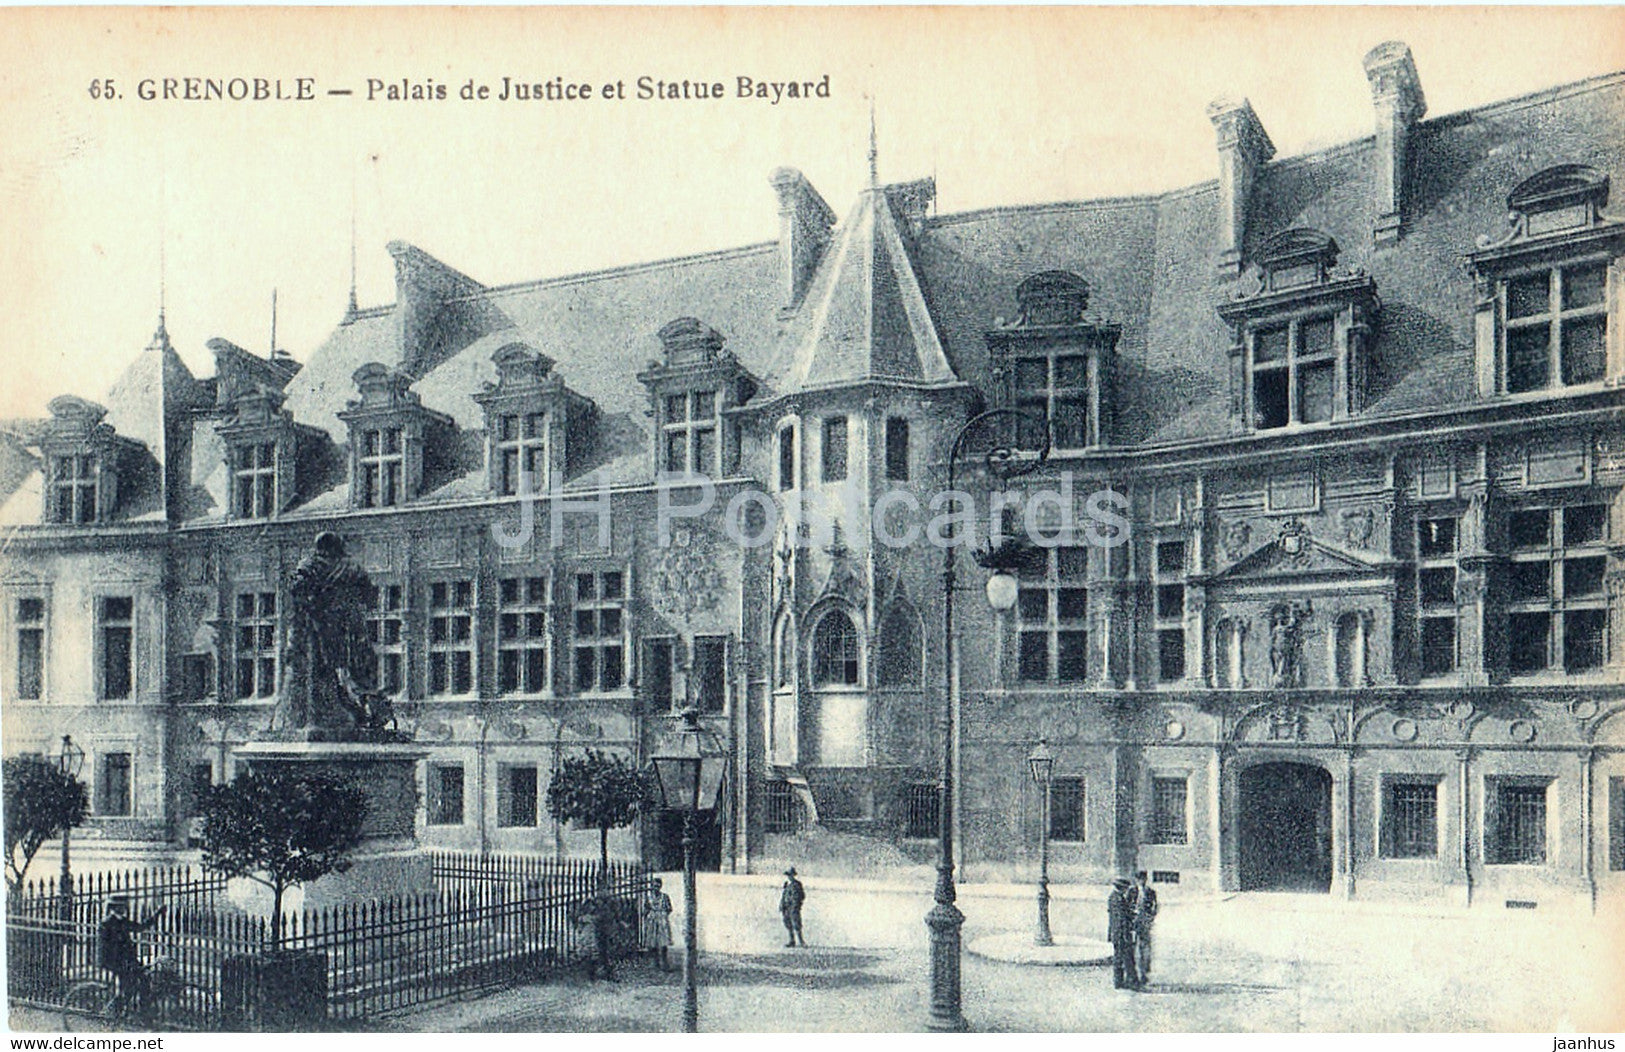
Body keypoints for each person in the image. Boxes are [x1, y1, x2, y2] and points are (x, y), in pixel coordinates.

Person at [98, 898, 165, 1016]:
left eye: (124, 906)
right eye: (121, 906)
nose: (124, 909)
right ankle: (116, 1011)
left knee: (144, 980)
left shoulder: (123, 921)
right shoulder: (107, 923)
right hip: (114, 961)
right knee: (129, 985)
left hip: (127, 960)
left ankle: (143, 1011)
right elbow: (106, 947)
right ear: (114, 908)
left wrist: (157, 914)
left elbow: (141, 927)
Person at [1106, 878, 1136, 990]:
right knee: (1120, 957)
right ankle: (1119, 982)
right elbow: (1121, 918)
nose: (1126, 890)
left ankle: (1121, 981)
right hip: (1121, 933)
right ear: (1122, 888)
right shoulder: (1117, 899)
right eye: (1126, 888)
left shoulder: (1115, 897)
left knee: (1121, 957)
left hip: (1117, 932)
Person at [1132, 870, 1159, 988]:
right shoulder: (1132, 892)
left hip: (1145, 923)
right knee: (1135, 950)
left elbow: (1155, 906)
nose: (1141, 881)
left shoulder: (1151, 892)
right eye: (1139, 879)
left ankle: (1144, 973)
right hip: (1134, 924)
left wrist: (1151, 917)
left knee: (1146, 949)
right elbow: (1128, 906)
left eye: (1143, 879)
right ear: (1136, 880)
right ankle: (1137, 974)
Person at [640, 879, 674, 971]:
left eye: (658, 886)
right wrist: (649, 914)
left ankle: (665, 964)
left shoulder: (664, 896)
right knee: (652, 942)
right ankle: (655, 963)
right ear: (652, 886)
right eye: (654, 886)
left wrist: (663, 914)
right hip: (652, 919)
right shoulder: (648, 897)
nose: (656, 888)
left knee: (663, 942)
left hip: (662, 920)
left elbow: (669, 908)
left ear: (660, 887)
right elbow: (645, 908)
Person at [779, 867, 806, 947]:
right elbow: (784, 896)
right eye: (788, 875)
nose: (789, 877)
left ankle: (801, 942)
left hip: (793, 907)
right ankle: (792, 941)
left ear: (793, 875)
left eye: (790, 875)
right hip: (786, 908)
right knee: (788, 924)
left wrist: (796, 905)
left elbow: (801, 896)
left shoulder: (797, 884)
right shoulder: (787, 885)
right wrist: (781, 905)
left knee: (796, 924)